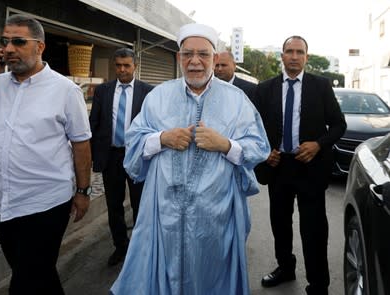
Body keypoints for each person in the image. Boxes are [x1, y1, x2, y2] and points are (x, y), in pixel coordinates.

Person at [110, 23, 270, 295]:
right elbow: (133, 142)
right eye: (187, 54)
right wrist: (162, 138)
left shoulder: (237, 100)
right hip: (165, 214)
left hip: (215, 216)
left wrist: (225, 144)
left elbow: (259, 147)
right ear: (178, 58)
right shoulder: (158, 96)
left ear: (215, 58)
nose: (195, 61)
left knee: (211, 277)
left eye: (203, 54)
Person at [0, 14, 92, 294]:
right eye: (5, 41)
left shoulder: (65, 90)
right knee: (35, 273)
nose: (8, 48)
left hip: (46, 203)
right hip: (3, 203)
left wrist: (83, 191)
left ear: (40, 47)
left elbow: (81, 144)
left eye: (18, 41)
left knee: (27, 278)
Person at [253, 36, 346, 295]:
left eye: (299, 52)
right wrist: (264, 151)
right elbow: (253, 128)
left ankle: (319, 284)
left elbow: (339, 125)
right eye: (289, 51)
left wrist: (318, 144)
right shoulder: (264, 89)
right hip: (278, 166)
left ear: (306, 56)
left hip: (310, 167)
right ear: (281, 56)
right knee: (280, 224)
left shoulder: (321, 86)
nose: (294, 56)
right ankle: (285, 268)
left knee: (314, 229)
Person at [89, 48, 153, 266]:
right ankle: (121, 247)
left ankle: (141, 248)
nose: (122, 69)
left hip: (138, 157)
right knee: (114, 206)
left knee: (140, 204)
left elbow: (154, 126)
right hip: (111, 157)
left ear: (135, 65)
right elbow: (94, 124)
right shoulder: (103, 91)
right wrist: (90, 155)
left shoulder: (148, 92)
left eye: (127, 65)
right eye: (118, 65)